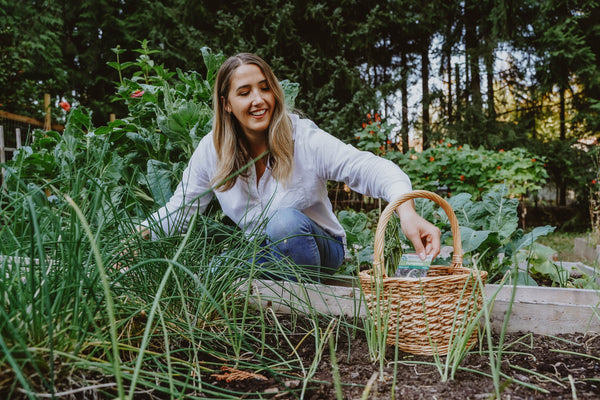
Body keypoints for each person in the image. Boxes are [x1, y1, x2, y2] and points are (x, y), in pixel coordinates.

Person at [140, 52, 440, 282]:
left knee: (284, 224)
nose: (258, 100)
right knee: (212, 271)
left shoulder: (303, 137)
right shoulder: (213, 150)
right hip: (262, 250)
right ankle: (274, 289)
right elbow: (181, 209)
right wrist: (134, 238)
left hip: (319, 246)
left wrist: (407, 212)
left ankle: (300, 298)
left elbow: (371, 168)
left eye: (264, 88)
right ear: (226, 104)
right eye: (244, 92)